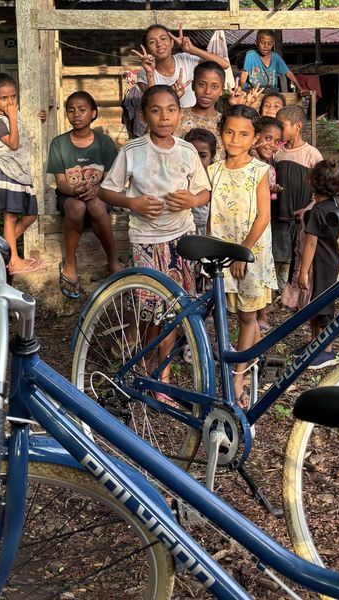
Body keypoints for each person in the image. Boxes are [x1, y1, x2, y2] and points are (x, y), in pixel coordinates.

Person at [99, 85, 211, 404]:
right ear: (144, 115)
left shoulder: (187, 152)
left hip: (181, 241)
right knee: (150, 311)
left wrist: (191, 199)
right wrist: (132, 203)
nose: (164, 116)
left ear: (179, 113)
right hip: (147, 241)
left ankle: (162, 378)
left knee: (175, 310)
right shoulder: (132, 151)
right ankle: (146, 367)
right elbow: (106, 192)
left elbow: (204, 192)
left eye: (171, 109)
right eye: (156, 110)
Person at [208, 105, 277, 408]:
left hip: (248, 254)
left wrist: (242, 252)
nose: (235, 139)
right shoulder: (213, 171)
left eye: (244, 134)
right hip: (220, 254)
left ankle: (238, 377)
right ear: (221, 132)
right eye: (229, 132)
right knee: (223, 312)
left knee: (247, 316)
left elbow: (263, 216)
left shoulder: (259, 171)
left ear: (256, 138)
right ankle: (239, 363)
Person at [47, 91, 123, 299]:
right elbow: (61, 182)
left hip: (99, 196)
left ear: (93, 113)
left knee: (96, 205)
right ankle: (71, 262)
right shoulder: (59, 143)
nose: (76, 115)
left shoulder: (105, 143)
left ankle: (113, 260)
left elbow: (110, 180)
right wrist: (75, 190)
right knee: (77, 206)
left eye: (82, 110)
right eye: (71, 110)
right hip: (70, 197)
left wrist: (95, 190)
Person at [0, 72, 44, 276]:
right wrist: (12, 116)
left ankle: (0, 251)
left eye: (13, 97)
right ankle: (14, 261)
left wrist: (38, 119)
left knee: (30, 216)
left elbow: (24, 134)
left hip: (21, 173)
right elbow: (15, 144)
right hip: (7, 173)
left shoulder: (11, 116)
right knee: (10, 217)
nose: (10, 102)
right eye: (3, 98)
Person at [294, 160, 339, 369]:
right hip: (331, 262)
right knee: (316, 304)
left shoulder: (316, 211)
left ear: (312, 183)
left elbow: (311, 243)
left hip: (318, 264)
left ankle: (327, 351)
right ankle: (316, 345)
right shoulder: (336, 206)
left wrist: (303, 272)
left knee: (323, 307)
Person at [273, 104, 323, 292]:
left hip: (302, 215)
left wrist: (309, 208)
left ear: (298, 126)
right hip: (279, 213)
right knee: (280, 252)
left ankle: (294, 291)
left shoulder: (311, 154)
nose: (279, 129)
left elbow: (320, 188)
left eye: (282, 125)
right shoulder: (277, 152)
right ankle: (280, 289)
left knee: (299, 252)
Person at [133, 24, 230, 108]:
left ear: (171, 43)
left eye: (163, 39)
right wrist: (150, 74)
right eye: (152, 42)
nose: (159, 44)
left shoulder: (185, 59)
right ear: (147, 49)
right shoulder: (144, 74)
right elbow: (152, 104)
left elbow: (224, 64)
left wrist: (192, 50)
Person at [251, 116, 283, 331]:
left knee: (261, 266)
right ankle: (255, 316)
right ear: (255, 138)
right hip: (250, 222)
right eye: (267, 138)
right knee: (254, 267)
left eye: (276, 141)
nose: (272, 144)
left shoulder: (267, 164)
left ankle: (260, 315)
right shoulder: (249, 162)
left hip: (264, 223)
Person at [238, 30, 306, 94]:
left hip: (272, 93)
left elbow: (288, 73)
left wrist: (300, 88)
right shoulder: (251, 55)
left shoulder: (276, 58)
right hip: (254, 92)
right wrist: (240, 89)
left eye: (269, 43)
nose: (266, 46)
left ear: (273, 44)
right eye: (262, 43)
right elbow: (244, 74)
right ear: (256, 42)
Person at [182, 127, 217, 234]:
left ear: (212, 157)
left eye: (203, 155)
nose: (196, 160)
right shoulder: (180, 180)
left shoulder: (217, 181)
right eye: (192, 155)